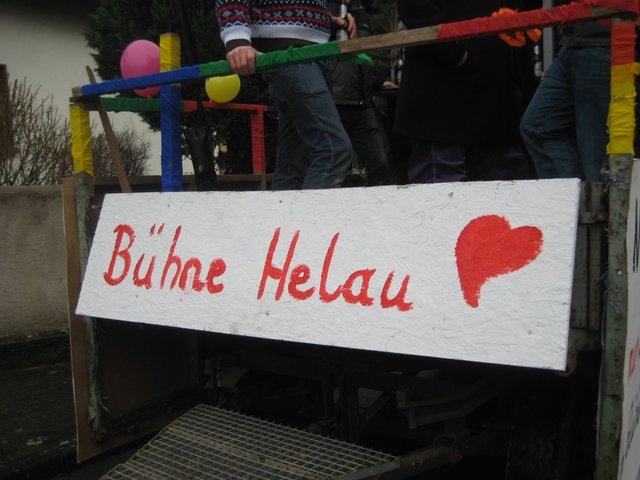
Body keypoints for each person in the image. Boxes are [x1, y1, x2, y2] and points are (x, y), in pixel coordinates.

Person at [215, 0, 356, 190]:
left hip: (315, 54)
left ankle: (284, 209)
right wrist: (236, 38)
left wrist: (328, 21)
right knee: (333, 149)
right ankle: (312, 212)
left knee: (294, 166)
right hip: (286, 54)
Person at [394, 0, 534, 184]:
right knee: (443, 193)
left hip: (499, 107)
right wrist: (456, 53)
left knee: (505, 193)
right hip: (443, 100)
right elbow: (416, 7)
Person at [520, 13, 613, 181]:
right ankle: (575, 194)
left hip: (604, 41)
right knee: (536, 126)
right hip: (576, 40)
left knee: (595, 156)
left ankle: (593, 195)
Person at [328, 0, 397, 186]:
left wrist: (377, 82)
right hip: (332, 103)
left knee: (381, 163)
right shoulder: (325, 10)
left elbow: (366, 58)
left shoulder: (362, 15)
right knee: (332, 168)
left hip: (361, 103)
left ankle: (374, 203)